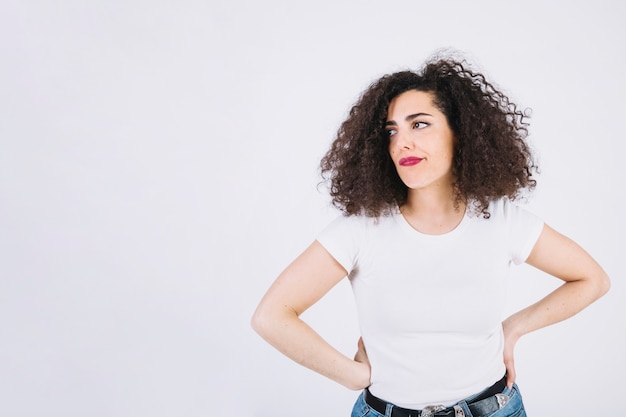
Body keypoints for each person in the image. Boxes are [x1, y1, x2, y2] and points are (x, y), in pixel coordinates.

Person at [251, 55, 610, 417]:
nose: (401, 143)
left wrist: (514, 328)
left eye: (419, 125)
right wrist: (352, 375)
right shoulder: (360, 229)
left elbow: (592, 279)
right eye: (392, 131)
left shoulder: (502, 221)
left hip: (493, 409)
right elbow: (272, 316)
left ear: (461, 132)